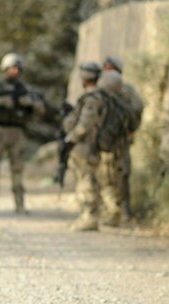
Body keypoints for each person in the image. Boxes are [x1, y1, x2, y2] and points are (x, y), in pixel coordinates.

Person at [0, 53, 45, 214]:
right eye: (12, 68)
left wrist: (30, 104)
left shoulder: (24, 89)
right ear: (5, 69)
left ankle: (19, 204)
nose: (15, 71)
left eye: (17, 68)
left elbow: (40, 109)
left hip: (17, 132)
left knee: (17, 169)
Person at [62, 61, 105, 231]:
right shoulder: (91, 97)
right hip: (84, 146)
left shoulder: (92, 99)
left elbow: (86, 124)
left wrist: (71, 138)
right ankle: (85, 216)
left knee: (87, 181)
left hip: (86, 146)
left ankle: (90, 218)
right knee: (83, 180)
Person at [102, 55, 144, 224]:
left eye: (110, 68)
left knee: (122, 175)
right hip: (105, 142)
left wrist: (130, 130)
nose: (107, 71)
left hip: (121, 140)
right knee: (105, 177)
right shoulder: (101, 91)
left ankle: (124, 212)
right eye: (106, 68)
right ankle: (112, 212)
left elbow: (137, 111)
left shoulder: (127, 91)